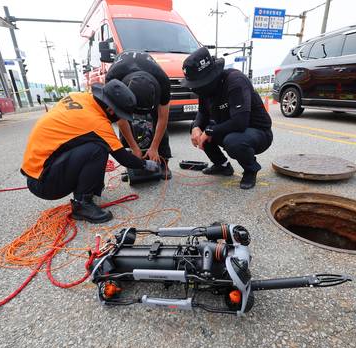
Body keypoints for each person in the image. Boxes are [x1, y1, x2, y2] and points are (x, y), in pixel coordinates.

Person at [21, 80, 160, 224]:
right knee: (97, 149)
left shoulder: (79, 97)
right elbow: (124, 159)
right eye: (120, 114)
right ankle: (82, 205)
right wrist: (147, 165)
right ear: (111, 110)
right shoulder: (97, 124)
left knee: (93, 143)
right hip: (44, 184)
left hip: (38, 170)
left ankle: (90, 190)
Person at [181, 47, 273, 190]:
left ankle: (250, 169)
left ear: (210, 77)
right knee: (197, 128)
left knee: (233, 141)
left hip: (257, 132)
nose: (195, 89)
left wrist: (210, 131)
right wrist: (196, 127)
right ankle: (222, 165)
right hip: (230, 127)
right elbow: (202, 113)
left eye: (197, 85)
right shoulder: (205, 90)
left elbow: (240, 123)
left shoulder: (235, 81)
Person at [105, 51, 172, 179]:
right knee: (125, 120)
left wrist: (154, 147)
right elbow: (120, 119)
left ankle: (163, 162)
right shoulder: (113, 80)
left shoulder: (163, 81)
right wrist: (134, 147)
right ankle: (132, 164)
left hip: (151, 78)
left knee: (157, 119)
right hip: (123, 78)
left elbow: (163, 118)